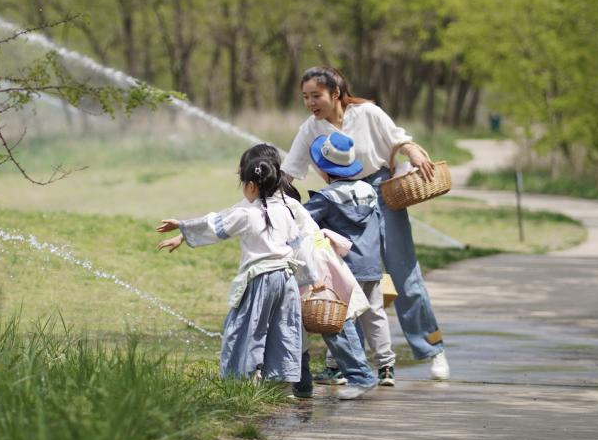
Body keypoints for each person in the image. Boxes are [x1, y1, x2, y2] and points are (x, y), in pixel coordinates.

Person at [281, 66, 450, 380]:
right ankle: (347, 364)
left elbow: (400, 140)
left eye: (315, 95)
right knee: (351, 279)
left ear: (335, 93)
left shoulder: (368, 113)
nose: (310, 103)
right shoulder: (310, 128)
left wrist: (414, 154)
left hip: (383, 194)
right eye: (305, 97)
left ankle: (432, 349)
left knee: (405, 275)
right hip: (344, 206)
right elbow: (289, 171)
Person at [155, 144, 311, 389]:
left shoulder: (247, 214)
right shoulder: (285, 209)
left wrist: (183, 226)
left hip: (261, 279)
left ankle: (243, 380)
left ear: (251, 186)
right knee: (282, 327)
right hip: (286, 279)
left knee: (246, 328)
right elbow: (299, 245)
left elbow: (216, 227)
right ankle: (279, 381)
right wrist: (309, 279)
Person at [304, 130, 397, 387]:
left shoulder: (326, 198)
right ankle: (386, 366)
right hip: (371, 265)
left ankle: (338, 368)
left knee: (341, 319)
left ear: (325, 169)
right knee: (375, 315)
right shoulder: (368, 192)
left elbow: (300, 220)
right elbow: (379, 227)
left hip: (343, 269)